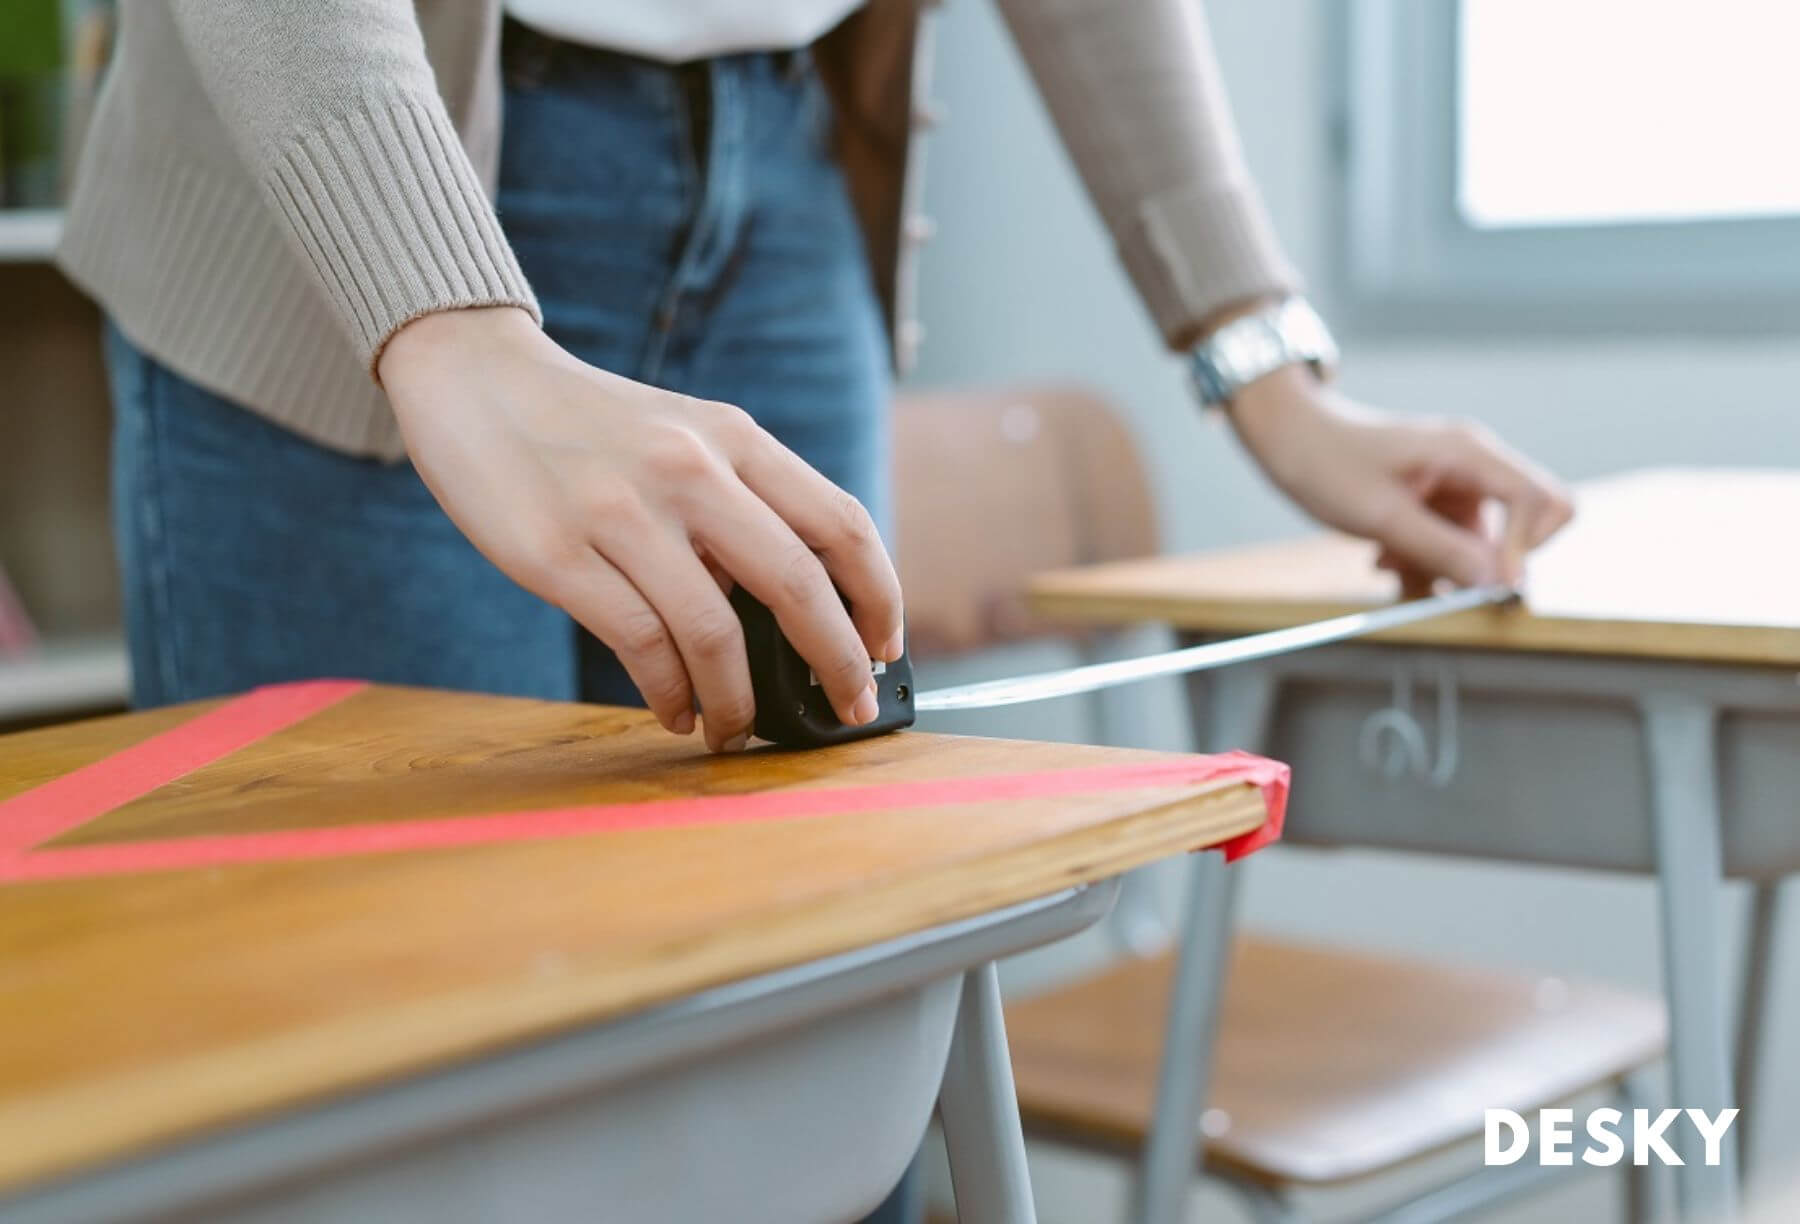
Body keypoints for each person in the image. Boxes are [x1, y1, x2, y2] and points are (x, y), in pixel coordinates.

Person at [58, 4, 1571, 1220]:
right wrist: (440, 320)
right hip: (325, 164)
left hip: (785, 176)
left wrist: (1266, 367)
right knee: (371, 1106)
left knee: (826, 1084)